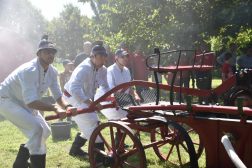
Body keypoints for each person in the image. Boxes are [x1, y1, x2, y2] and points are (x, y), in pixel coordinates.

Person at [0, 37, 77, 168]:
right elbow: (31, 103)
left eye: (53, 52)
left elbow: (58, 94)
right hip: (7, 100)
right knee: (36, 130)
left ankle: (20, 163)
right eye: (47, 51)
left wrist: (67, 106)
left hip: (24, 102)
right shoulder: (30, 70)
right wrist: (55, 108)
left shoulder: (52, 71)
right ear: (39, 53)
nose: (51, 54)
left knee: (45, 131)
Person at [63, 42, 110, 163]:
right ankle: (99, 158)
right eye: (100, 57)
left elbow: (105, 86)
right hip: (72, 97)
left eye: (104, 57)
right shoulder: (84, 68)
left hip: (86, 97)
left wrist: (109, 97)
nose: (103, 60)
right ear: (92, 57)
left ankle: (75, 149)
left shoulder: (103, 69)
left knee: (90, 121)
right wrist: (92, 104)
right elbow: (74, 90)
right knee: (93, 123)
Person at [95, 48, 140, 147]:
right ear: (116, 58)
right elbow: (112, 91)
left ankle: (119, 143)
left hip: (120, 100)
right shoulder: (110, 70)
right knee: (125, 117)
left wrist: (135, 95)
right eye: (122, 56)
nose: (125, 58)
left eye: (126, 56)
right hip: (105, 101)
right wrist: (126, 100)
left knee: (124, 117)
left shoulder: (127, 70)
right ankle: (119, 144)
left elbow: (130, 88)